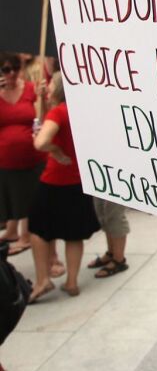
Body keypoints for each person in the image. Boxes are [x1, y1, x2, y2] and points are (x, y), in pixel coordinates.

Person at [28, 73, 100, 301]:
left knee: (38, 230)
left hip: (55, 178)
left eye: (50, 85)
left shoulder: (58, 112)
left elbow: (40, 142)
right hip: (78, 179)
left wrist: (56, 151)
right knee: (73, 233)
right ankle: (72, 281)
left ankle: (42, 279)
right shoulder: (78, 109)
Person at [0, 53, 42, 256]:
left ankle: (25, 235)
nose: (11, 74)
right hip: (6, 159)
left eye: (15, 69)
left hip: (32, 156)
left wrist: (43, 97)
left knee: (28, 199)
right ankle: (12, 231)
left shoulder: (30, 89)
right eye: (6, 70)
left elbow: (41, 116)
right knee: (12, 198)